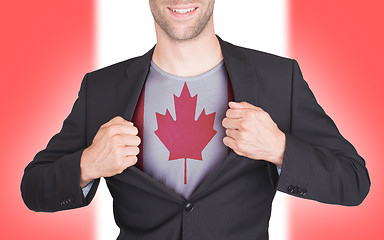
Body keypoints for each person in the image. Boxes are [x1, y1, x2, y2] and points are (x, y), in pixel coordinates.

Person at [21, 0, 370, 239]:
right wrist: (87, 165)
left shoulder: (279, 79)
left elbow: (354, 181)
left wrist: (280, 148)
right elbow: (33, 188)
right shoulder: (101, 88)